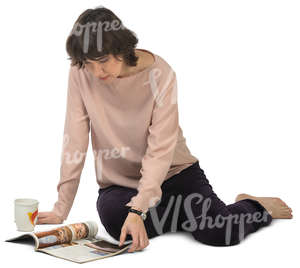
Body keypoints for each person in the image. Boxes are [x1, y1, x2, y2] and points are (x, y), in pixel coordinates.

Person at [36, 6, 293, 252]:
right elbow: (75, 137)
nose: (95, 71)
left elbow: (160, 150)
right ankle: (190, 214)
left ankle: (252, 206)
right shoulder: (81, 72)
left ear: (121, 47)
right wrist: (62, 206)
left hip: (174, 174)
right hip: (122, 184)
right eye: (88, 64)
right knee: (116, 221)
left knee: (220, 233)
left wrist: (138, 211)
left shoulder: (161, 74)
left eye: (102, 61)